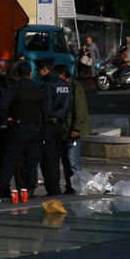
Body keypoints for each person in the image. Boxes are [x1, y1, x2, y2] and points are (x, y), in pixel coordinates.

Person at [0, 61, 50, 201]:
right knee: (31, 161)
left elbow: (2, 105)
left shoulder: (14, 88)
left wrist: (6, 119)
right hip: (34, 129)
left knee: (10, 160)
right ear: (31, 73)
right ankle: (29, 189)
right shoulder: (37, 89)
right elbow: (46, 110)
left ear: (18, 74)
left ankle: (0, 190)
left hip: (18, 128)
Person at [39, 59, 72, 196]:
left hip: (49, 125)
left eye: (39, 70)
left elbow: (45, 108)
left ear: (45, 69)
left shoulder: (48, 85)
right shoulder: (66, 85)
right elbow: (67, 105)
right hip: (62, 124)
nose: (38, 73)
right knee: (62, 156)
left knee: (50, 159)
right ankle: (63, 187)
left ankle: (53, 188)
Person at [59, 64, 90, 193]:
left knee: (73, 161)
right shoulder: (64, 88)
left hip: (73, 130)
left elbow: (80, 109)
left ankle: (77, 188)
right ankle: (70, 186)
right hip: (65, 129)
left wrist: (76, 128)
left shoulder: (75, 87)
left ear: (65, 76)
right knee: (66, 162)